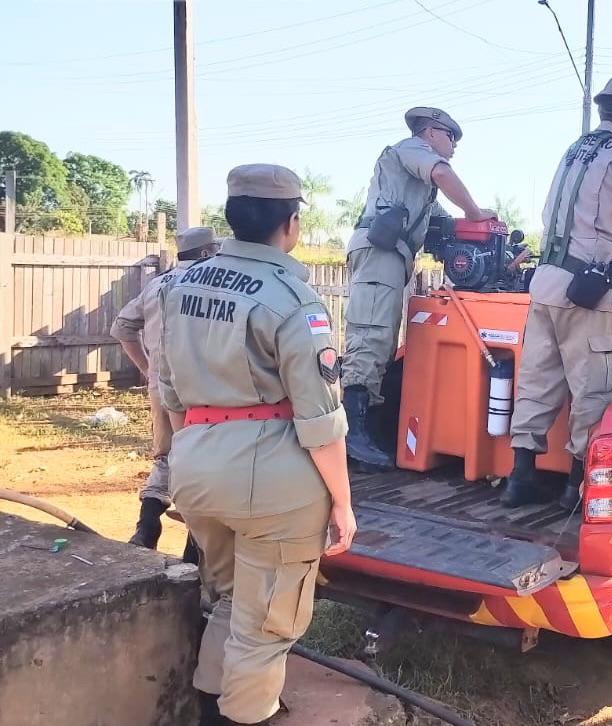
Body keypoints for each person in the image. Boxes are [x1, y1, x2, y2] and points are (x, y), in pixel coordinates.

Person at [158, 164, 357, 726]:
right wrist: (342, 504)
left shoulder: (182, 285)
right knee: (266, 624)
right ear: (290, 223)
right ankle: (246, 715)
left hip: (194, 463)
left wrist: (192, 454)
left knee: (227, 596)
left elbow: (168, 389)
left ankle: (208, 704)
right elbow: (319, 420)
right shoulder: (294, 299)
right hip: (270, 479)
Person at [503, 76, 612, 511]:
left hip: (545, 287)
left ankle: (520, 479)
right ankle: (576, 491)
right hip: (589, 294)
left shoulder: (573, 151)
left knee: (537, 383)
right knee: (595, 392)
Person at [341, 106, 495, 470]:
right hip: (381, 253)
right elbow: (442, 173)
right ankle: (352, 436)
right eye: (450, 136)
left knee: (381, 340)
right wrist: (475, 212)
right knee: (371, 336)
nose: (454, 145)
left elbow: (444, 224)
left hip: (391, 256)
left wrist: (492, 233)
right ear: (429, 133)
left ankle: (363, 436)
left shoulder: (418, 191)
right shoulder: (410, 150)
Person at [111, 226, 220, 548]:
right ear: (205, 254)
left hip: (162, 385)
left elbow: (122, 328)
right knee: (205, 463)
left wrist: (147, 369)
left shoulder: (156, 285)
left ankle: (146, 528)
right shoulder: (213, 284)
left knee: (166, 458)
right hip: (204, 390)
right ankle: (193, 550)